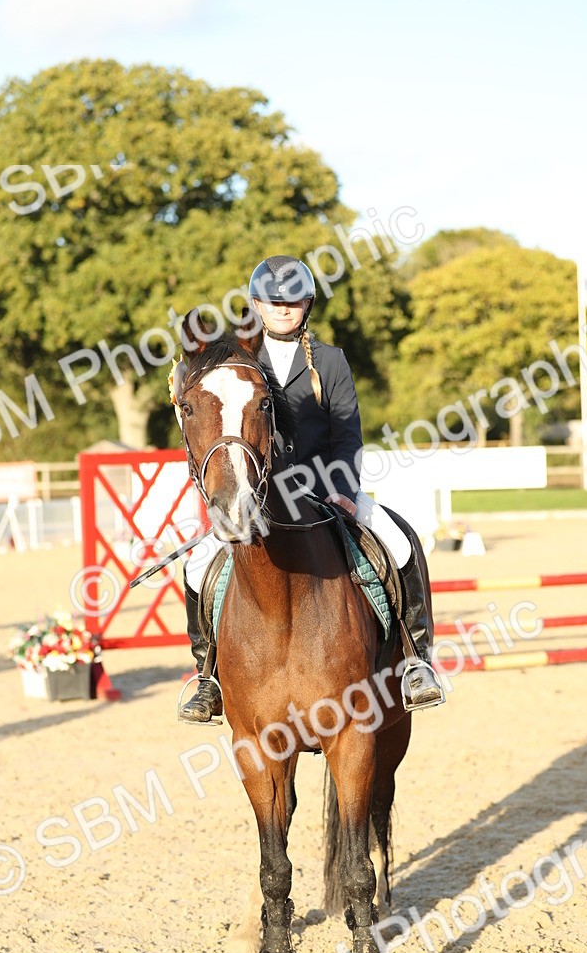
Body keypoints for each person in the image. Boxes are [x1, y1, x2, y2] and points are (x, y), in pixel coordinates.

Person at [177, 253, 444, 722]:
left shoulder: (330, 361)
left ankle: (416, 659)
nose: (283, 309)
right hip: (256, 492)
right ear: (256, 305)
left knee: (400, 541)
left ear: (307, 306)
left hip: (326, 488)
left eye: (293, 301)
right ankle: (208, 676)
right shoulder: (238, 361)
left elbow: (347, 432)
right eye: (273, 301)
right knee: (198, 563)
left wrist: (342, 485)